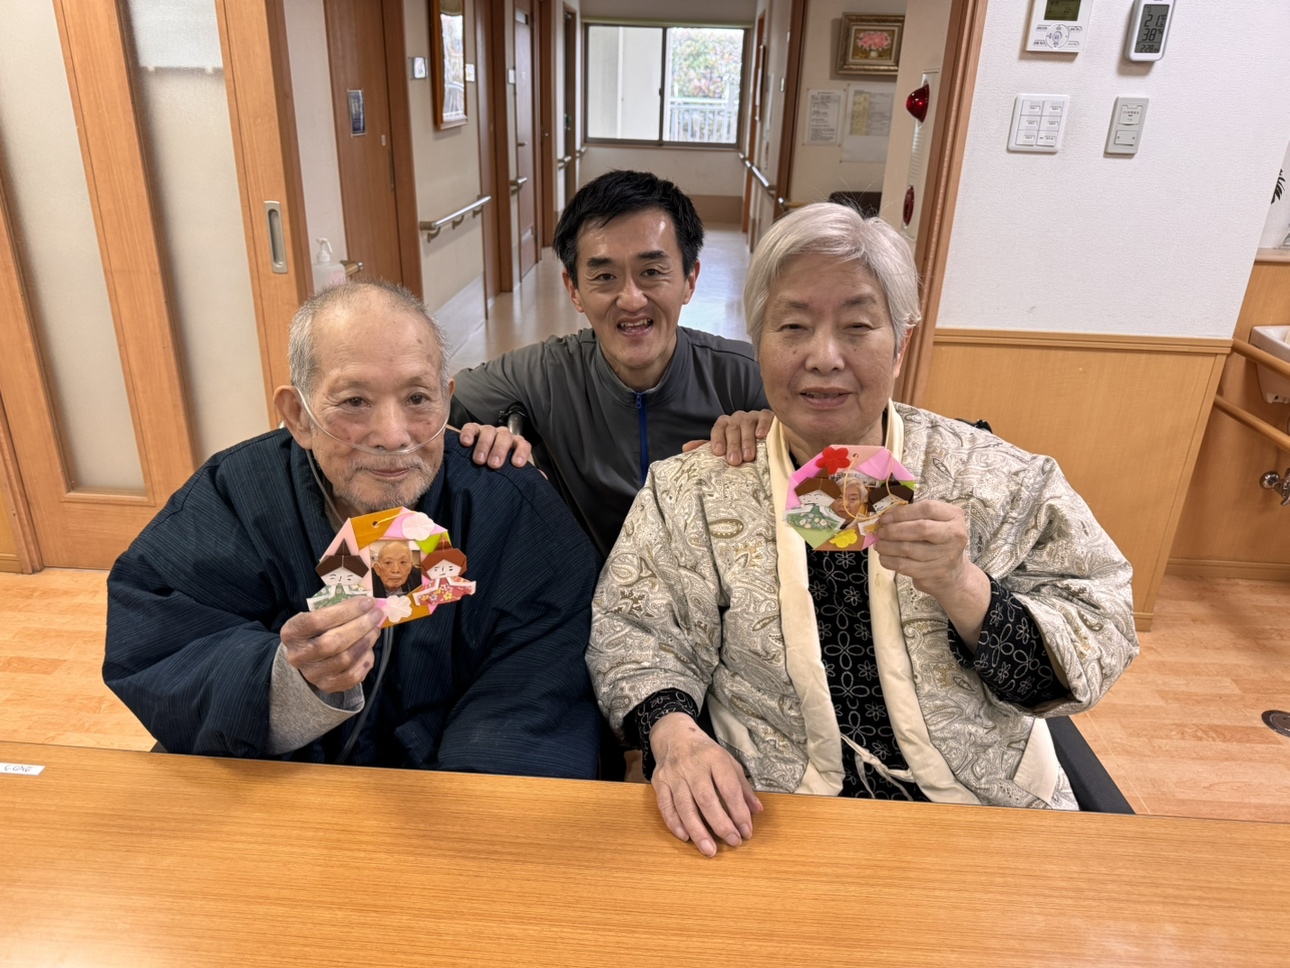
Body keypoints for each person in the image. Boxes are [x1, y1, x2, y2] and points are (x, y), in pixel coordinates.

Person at [587, 203, 1139, 856]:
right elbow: (634, 632)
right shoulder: (693, 488)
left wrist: (964, 587)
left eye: (857, 327)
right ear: (758, 340)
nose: (823, 357)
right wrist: (677, 739)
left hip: (979, 811)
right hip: (768, 809)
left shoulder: (997, 477)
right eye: (793, 326)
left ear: (901, 342)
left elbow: (1100, 619)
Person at [104, 280, 602, 778]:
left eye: (417, 397)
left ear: (448, 401)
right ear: (298, 415)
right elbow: (161, 639)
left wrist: (460, 823)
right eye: (354, 402)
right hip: (290, 789)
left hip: (452, 798)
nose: (392, 436)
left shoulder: (508, 503)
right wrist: (287, 679)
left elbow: (539, 683)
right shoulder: (236, 494)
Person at [449, 169, 771, 557]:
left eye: (652, 272)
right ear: (574, 290)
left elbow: (843, 492)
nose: (631, 299)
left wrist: (786, 438)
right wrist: (481, 441)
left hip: (715, 601)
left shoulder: (748, 376)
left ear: (690, 279)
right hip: (582, 601)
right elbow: (425, 412)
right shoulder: (543, 375)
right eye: (604, 276)